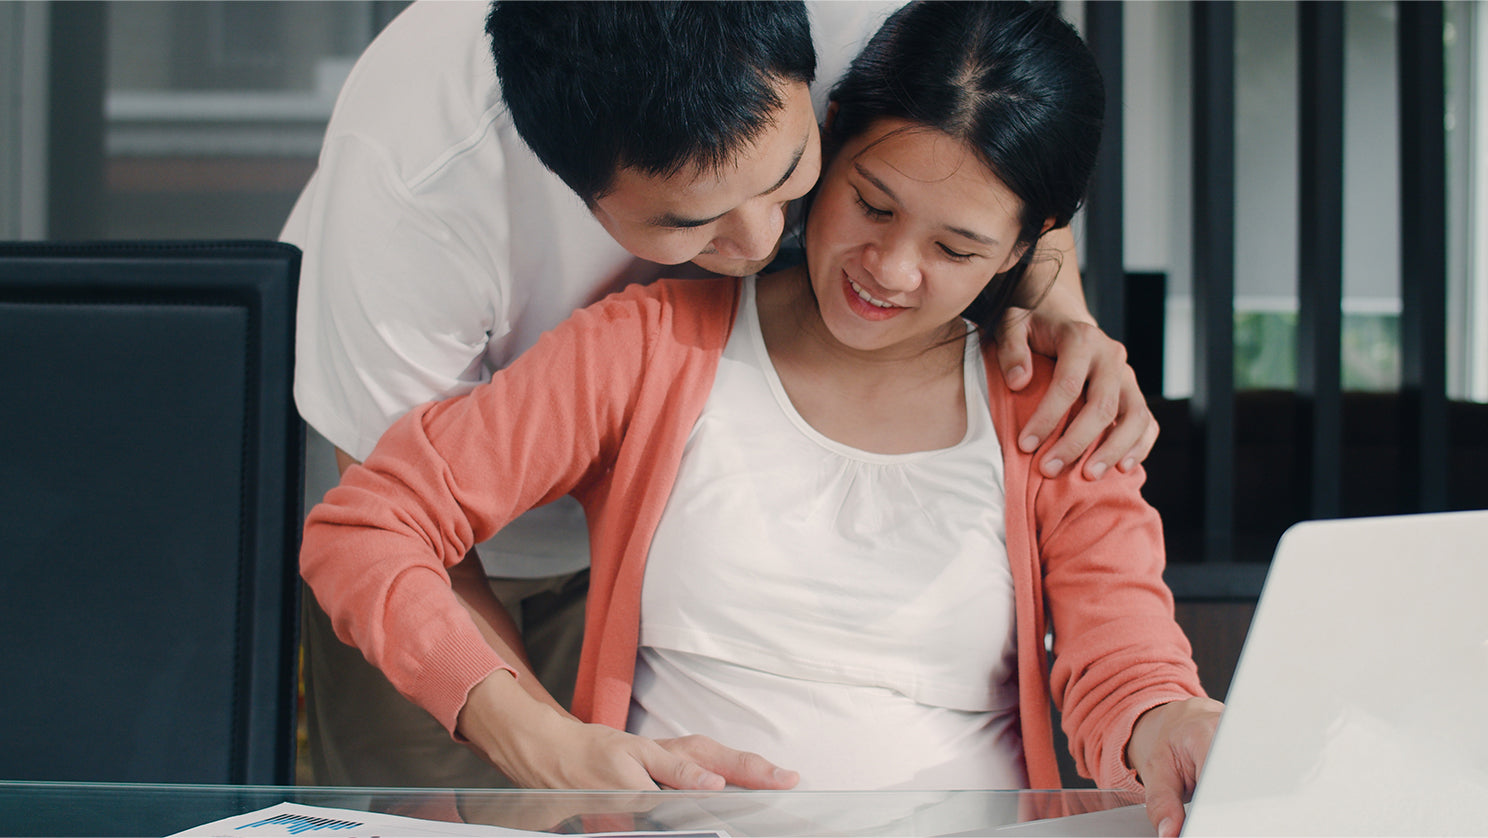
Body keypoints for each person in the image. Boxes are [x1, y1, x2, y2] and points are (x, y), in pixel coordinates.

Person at [300, 3, 1220, 836]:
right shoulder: (443, 196)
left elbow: (1124, 655)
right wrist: (546, 742)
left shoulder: (1047, 409)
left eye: (955, 247)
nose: (890, 272)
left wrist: (1162, 719)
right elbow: (377, 522)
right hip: (485, 518)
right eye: (869, 204)